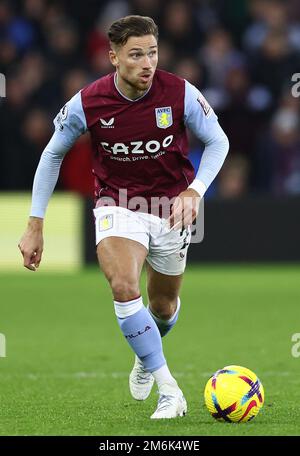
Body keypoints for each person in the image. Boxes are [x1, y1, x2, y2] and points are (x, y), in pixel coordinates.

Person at [18, 15, 229, 419]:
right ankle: (170, 391)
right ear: (113, 57)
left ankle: (144, 352)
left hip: (170, 208)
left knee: (164, 306)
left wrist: (194, 190)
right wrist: (35, 222)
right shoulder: (88, 102)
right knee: (123, 284)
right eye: (136, 55)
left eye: (152, 52)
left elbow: (218, 140)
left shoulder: (180, 92)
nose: (147, 62)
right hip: (118, 204)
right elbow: (52, 154)